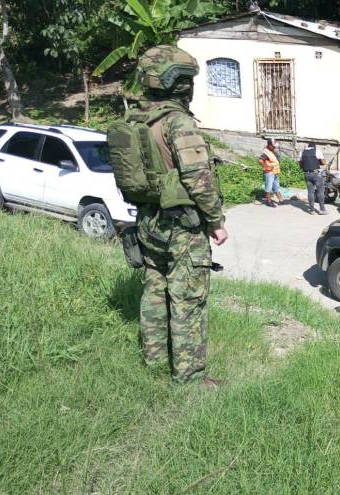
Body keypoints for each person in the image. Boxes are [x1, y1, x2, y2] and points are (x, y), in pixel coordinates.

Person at [126, 46, 227, 386]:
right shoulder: (177, 122)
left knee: (154, 291)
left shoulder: (136, 119)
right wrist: (216, 221)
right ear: (182, 84)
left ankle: (154, 359)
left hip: (148, 223)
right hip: (182, 228)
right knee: (188, 300)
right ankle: (190, 378)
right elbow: (198, 179)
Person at [298, 142, 327, 215]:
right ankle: (322, 209)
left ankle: (312, 210)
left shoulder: (302, 152)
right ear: (314, 147)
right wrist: (320, 162)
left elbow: (300, 164)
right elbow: (323, 163)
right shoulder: (317, 151)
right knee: (320, 191)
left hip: (306, 174)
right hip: (316, 173)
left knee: (310, 192)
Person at [259, 139, 283, 207]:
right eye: (273, 146)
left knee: (276, 187)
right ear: (269, 145)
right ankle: (268, 201)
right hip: (269, 173)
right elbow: (260, 160)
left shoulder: (271, 151)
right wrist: (266, 167)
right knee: (268, 187)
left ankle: (280, 199)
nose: (275, 147)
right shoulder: (266, 152)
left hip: (275, 172)